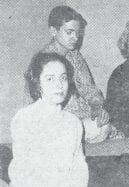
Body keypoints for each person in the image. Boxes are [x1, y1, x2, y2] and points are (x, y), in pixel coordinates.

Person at [7, 53, 129, 187]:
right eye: (50, 79)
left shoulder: (73, 122)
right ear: (37, 82)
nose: (59, 85)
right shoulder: (25, 118)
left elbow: (78, 168)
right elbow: (28, 177)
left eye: (63, 78)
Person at [24, 5, 110, 143]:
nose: (75, 38)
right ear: (53, 31)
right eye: (69, 32)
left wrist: (97, 108)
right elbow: (34, 104)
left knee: (106, 126)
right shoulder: (42, 61)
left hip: (82, 119)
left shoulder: (74, 55)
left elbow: (89, 89)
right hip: (57, 123)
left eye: (77, 32)